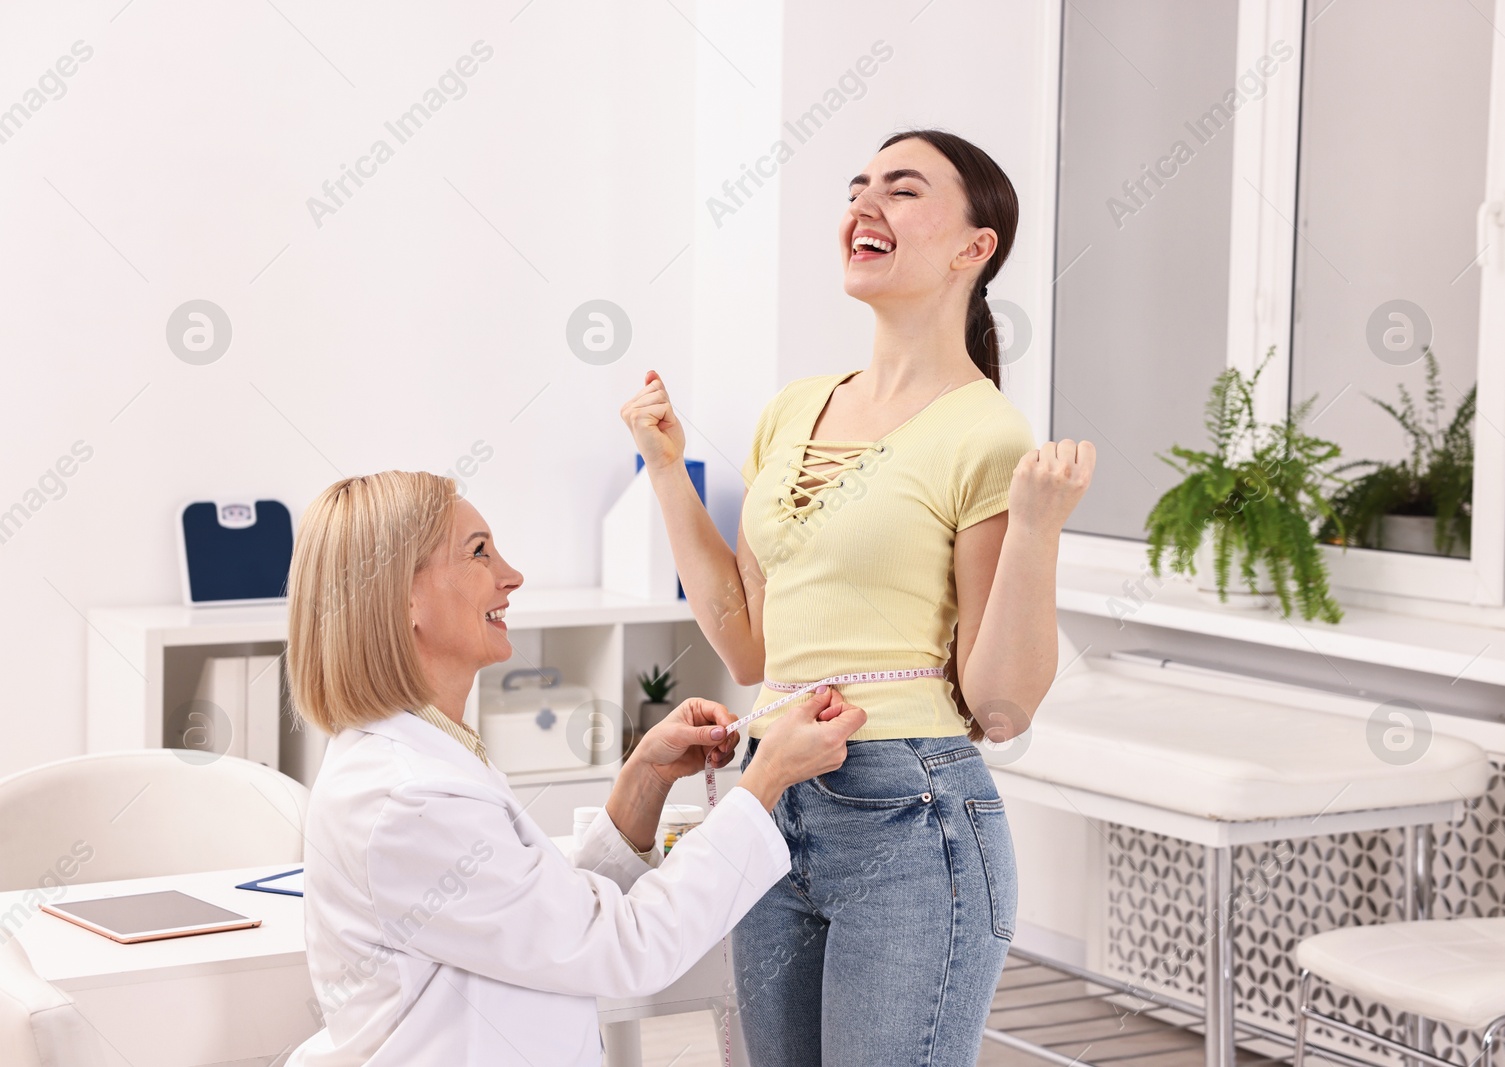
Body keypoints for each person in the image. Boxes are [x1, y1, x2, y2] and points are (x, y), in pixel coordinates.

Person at [620, 129, 1096, 1064]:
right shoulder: (793, 409)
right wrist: (667, 470)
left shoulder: (984, 433)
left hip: (909, 813)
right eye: (858, 187)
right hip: (769, 793)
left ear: (975, 247)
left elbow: (998, 706)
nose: (865, 204)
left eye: (904, 190)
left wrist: (1037, 529)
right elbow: (754, 652)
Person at [281, 471, 865, 1066]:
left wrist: (645, 780)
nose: (512, 575)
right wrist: (764, 781)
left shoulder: (422, 755)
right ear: (402, 598)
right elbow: (622, 947)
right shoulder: (409, 800)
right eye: (478, 552)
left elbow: (546, 920)